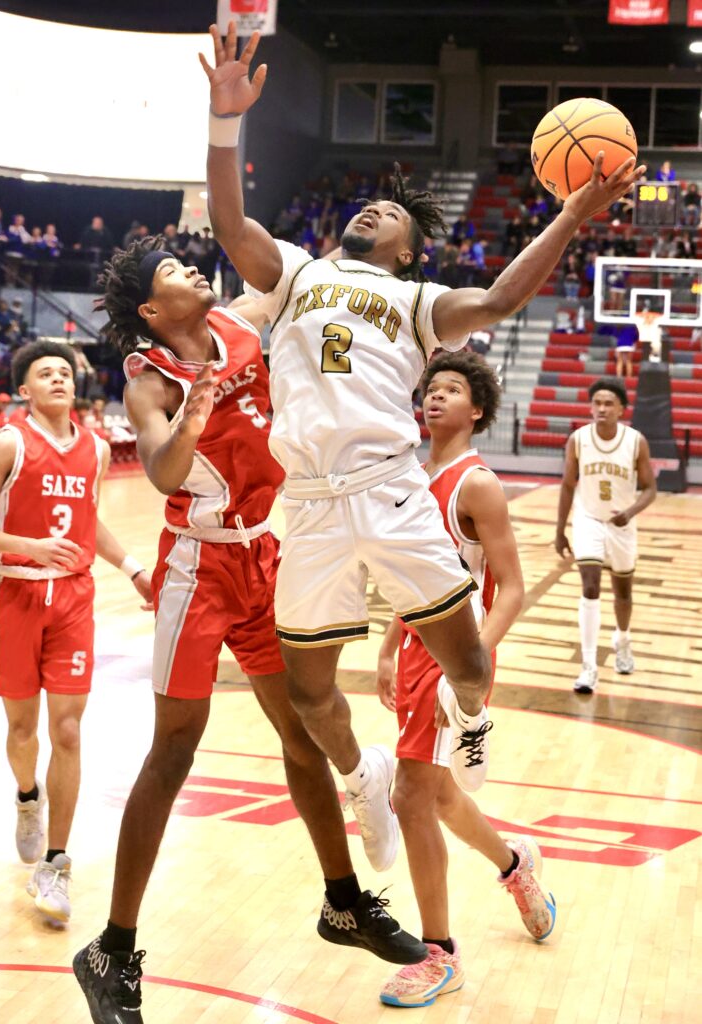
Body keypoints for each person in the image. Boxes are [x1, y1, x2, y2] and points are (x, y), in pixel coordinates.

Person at [200, 21, 643, 805]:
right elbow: (231, 225)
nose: (373, 212)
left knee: (467, 665)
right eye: (368, 206)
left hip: (389, 490)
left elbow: (499, 299)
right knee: (308, 694)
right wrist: (224, 122)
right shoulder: (295, 273)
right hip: (309, 502)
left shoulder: (417, 301)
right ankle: (360, 776)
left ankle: (470, 717)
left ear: (407, 252)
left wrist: (571, 214)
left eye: (389, 215)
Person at [73, 239, 428, 1024]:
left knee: (300, 730)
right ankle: (111, 951)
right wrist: (191, 421)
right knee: (174, 749)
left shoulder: (239, 321)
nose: (192, 269)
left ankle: (343, 903)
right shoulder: (149, 380)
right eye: (173, 272)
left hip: (266, 552)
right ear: (151, 311)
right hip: (197, 566)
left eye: (186, 262)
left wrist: (374, 243)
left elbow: (303, 266)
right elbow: (161, 471)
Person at [375, 350, 555, 1007]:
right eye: (431, 388)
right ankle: (515, 865)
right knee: (442, 796)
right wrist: (389, 646)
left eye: (451, 390)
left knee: (409, 795)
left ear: (476, 409)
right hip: (416, 649)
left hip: (458, 655)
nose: (435, 396)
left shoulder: (477, 485)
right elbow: (415, 581)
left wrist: (470, 663)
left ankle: (438, 955)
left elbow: (512, 588)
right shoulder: (412, 478)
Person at [0, 340, 153, 923]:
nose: (59, 379)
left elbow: (90, 523)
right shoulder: (7, 444)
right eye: (46, 373)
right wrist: (32, 546)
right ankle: (26, 797)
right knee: (22, 729)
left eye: (65, 371)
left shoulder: (95, 448)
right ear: (25, 389)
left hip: (72, 596)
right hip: (14, 592)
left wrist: (134, 569)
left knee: (67, 730)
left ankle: (56, 863)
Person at [555, 378, 656, 693]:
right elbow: (567, 485)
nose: (602, 408)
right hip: (588, 520)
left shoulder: (636, 441)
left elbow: (650, 488)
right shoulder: (578, 439)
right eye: (597, 402)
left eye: (608, 403)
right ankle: (589, 667)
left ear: (621, 409)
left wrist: (631, 511)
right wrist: (559, 530)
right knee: (590, 586)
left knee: (623, 591)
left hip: (622, 524)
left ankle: (622, 640)